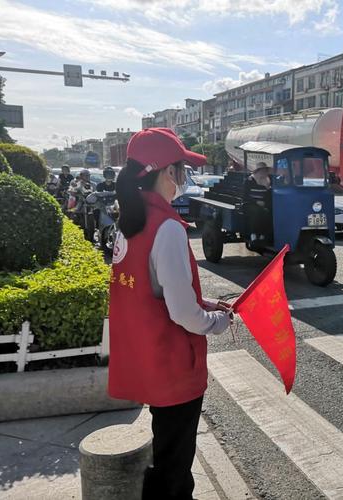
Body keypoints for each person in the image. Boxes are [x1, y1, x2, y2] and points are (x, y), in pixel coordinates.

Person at [109, 127, 234, 500]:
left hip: (146, 357)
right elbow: (182, 313)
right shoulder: (167, 228)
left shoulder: (128, 223)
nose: (185, 177)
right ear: (167, 172)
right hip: (174, 365)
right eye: (182, 169)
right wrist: (218, 322)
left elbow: (153, 291)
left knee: (167, 451)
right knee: (175, 466)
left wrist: (207, 304)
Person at [243, 161, 273, 243]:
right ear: (258, 171)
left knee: (269, 212)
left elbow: (267, 195)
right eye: (262, 170)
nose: (264, 172)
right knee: (257, 212)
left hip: (262, 204)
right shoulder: (249, 180)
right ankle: (253, 234)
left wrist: (265, 203)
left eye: (265, 170)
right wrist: (256, 202)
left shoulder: (267, 181)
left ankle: (263, 235)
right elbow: (245, 196)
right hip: (249, 203)